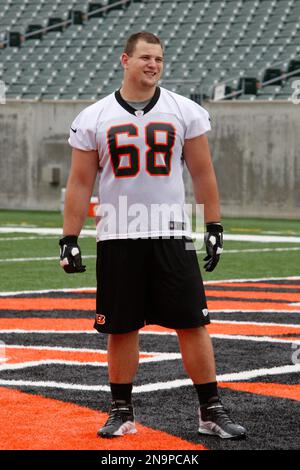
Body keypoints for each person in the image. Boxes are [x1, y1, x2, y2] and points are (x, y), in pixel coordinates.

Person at [59, 31, 246, 440]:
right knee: (121, 327)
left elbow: (202, 172)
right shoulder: (94, 116)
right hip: (117, 233)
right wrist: (68, 237)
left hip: (172, 233)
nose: (153, 65)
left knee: (193, 323)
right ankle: (121, 410)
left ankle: (210, 409)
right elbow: (79, 182)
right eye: (145, 58)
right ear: (124, 60)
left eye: (159, 59)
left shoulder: (185, 110)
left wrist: (213, 226)